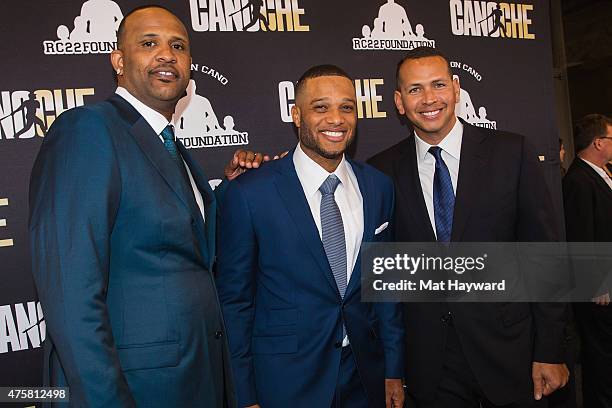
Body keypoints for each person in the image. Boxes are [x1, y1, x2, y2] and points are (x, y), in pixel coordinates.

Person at [29, 5, 265, 407]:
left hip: (199, 378)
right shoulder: (88, 129)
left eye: (178, 46)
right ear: (119, 61)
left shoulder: (169, 145)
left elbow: (172, 237)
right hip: (138, 390)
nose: (167, 54)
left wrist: (227, 192)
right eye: (149, 43)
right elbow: (71, 293)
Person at [368, 47, 569, 408]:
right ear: (399, 102)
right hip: (428, 364)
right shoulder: (380, 171)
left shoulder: (512, 152)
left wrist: (551, 349)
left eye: (438, 85)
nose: (429, 99)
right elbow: (385, 279)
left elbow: (545, 257)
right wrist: (392, 367)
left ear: (456, 89)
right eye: (415, 90)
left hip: (510, 351)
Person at [216, 65, 405, 408]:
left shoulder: (378, 186)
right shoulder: (250, 192)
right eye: (321, 107)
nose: (336, 119)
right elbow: (235, 302)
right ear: (296, 115)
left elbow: (386, 285)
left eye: (346, 107)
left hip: (364, 376)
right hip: (285, 381)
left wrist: (393, 368)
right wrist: (245, 394)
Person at [563, 114, 612, 408]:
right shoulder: (579, 180)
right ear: (598, 143)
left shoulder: (599, 174)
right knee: (601, 360)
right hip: (599, 292)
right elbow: (580, 237)